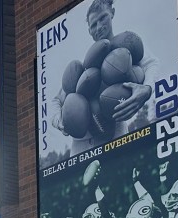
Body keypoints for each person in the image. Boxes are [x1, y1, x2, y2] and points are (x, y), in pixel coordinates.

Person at [52, 0, 159, 152]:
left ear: (112, 13)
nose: (99, 26)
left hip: (115, 136)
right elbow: (57, 99)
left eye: (103, 18)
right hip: (81, 146)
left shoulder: (126, 46)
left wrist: (147, 89)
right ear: (89, 30)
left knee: (121, 167)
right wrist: (58, 119)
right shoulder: (87, 63)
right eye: (93, 24)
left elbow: (151, 64)